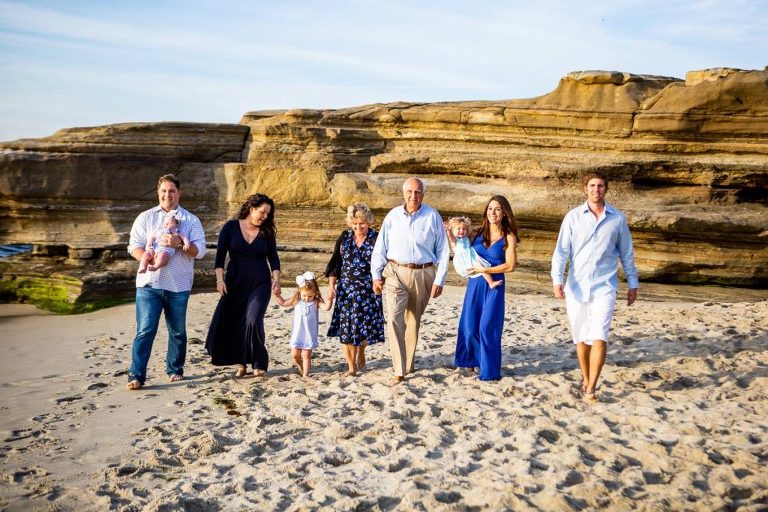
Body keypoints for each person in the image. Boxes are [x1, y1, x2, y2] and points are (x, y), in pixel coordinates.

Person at [551, 171, 639, 403]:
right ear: (585, 189)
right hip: (576, 286)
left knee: (600, 335)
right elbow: (561, 252)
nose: (596, 190)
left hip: (605, 286)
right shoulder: (573, 217)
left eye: (600, 186)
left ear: (606, 189)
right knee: (582, 337)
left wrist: (632, 282)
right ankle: (585, 376)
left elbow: (627, 254)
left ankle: (591, 387)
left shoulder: (617, 219)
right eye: (592, 186)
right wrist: (557, 280)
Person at [126, 174, 206, 390]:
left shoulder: (190, 221)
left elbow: (199, 252)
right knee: (145, 330)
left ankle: (175, 369)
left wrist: (180, 244)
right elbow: (134, 246)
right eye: (163, 191)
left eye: (171, 191)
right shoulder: (145, 217)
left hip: (178, 285)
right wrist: (148, 257)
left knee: (177, 332)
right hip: (149, 283)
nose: (167, 195)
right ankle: (136, 375)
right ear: (158, 192)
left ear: (179, 193)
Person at [371, 177, 450, 385]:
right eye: (409, 192)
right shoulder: (392, 216)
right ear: (403, 193)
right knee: (395, 320)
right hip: (395, 272)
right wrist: (376, 276)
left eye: (417, 192)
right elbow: (380, 247)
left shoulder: (432, 216)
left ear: (423, 194)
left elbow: (443, 251)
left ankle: (408, 362)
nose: (413, 196)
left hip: (423, 273)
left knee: (413, 320)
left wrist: (439, 279)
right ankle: (399, 369)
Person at [205, 194, 281, 378]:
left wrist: (276, 279)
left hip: (260, 283)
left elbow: (274, 258)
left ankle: (259, 362)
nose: (265, 217)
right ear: (251, 208)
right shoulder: (231, 227)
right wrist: (219, 280)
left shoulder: (267, 232)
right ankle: (241, 363)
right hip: (235, 282)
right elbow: (220, 257)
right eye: (263, 212)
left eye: (268, 214)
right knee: (236, 321)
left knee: (253, 320)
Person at [454, 196, 519, 381]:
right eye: (490, 208)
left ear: (504, 212)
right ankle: (469, 361)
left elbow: (510, 266)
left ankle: (489, 370)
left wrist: (485, 269)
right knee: (469, 324)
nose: (493, 212)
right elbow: (460, 245)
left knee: (487, 326)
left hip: (495, 285)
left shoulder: (509, 237)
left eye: (497, 209)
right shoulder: (476, 233)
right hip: (475, 283)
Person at [324, 202, 385, 377]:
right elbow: (336, 263)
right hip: (346, 291)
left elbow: (384, 263)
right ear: (350, 223)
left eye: (362, 223)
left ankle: (361, 351)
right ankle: (351, 367)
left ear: (369, 222)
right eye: (355, 223)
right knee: (346, 329)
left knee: (364, 329)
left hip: (368, 291)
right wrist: (331, 286)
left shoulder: (376, 238)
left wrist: (381, 282)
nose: (358, 227)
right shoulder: (345, 237)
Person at [273, 271, 333, 378]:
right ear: (300, 292)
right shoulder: (297, 299)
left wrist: (329, 299)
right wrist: (276, 295)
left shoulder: (316, 302)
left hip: (309, 334)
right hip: (297, 333)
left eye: (310, 296)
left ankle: (305, 374)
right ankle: (300, 366)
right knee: (295, 355)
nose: (307, 298)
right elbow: (283, 303)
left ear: (315, 293)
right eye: (304, 295)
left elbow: (326, 307)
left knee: (306, 355)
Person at [445, 216, 502, 289]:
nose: (461, 231)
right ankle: (491, 283)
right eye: (458, 229)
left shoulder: (466, 238)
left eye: (464, 229)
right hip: (464, 261)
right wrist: (449, 231)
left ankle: (489, 282)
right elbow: (451, 237)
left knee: (482, 269)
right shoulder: (455, 241)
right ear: (453, 230)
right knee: (482, 268)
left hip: (471, 258)